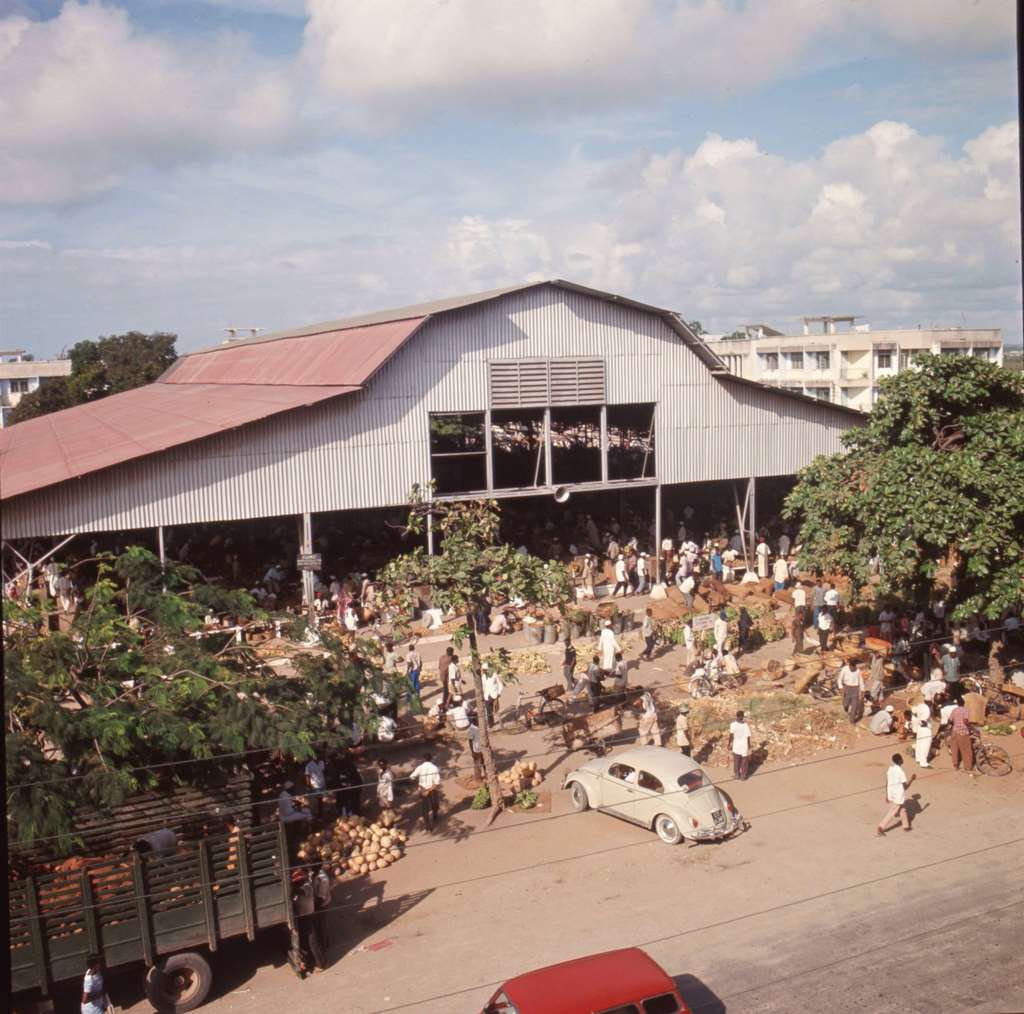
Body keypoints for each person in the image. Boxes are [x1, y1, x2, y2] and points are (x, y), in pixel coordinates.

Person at [876, 753, 915, 836]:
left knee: (902, 809)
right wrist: (912, 779)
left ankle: (906, 826)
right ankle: (881, 827)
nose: (903, 760)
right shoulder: (901, 772)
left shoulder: (890, 769)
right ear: (900, 761)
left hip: (892, 793)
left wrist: (887, 795)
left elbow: (887, 782)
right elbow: (905, 787)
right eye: (902, 758)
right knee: (893, 812)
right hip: (898, 795)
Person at [410, 752, 442, 831]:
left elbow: (411, 777)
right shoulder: (435, 768)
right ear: (431, 759)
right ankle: (435, 815)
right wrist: (428, 790)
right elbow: (437, 783)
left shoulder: (419, 767)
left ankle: (428, 826)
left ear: (423, 759)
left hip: (422, 790)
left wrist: (420, 787)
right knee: (435, 804)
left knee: (425, 808)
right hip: (432, 790)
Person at [948, 698, 974, 773]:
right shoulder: (965, 710)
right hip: (963, 732)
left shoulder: (954, 710)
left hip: (954, 732)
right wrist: (971, 727)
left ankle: (955, 765)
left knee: (954, 749)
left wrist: (953, 725)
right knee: (966, 750)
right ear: (964, 703)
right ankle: (968, 767)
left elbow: (949, 720)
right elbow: (965, 720)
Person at [730, 710, 752, 780]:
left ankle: (737, 775)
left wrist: (729, 743)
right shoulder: (745, 725)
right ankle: (743, 776)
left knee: (736, 760)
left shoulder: (732, 724)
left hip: (736, 745)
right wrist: (749, 744)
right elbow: (748, 736)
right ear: (742, 717)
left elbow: (731, 735)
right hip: (744, 745)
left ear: (736, 716)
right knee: (744, 761)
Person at [304, 755, 327, 821]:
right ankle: (318, 815)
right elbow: (307, 776)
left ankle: (320, 814)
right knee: (317, 800)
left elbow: (323, 772)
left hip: (322, 784)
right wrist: (309, 786)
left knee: (321, 799)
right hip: (315, 785)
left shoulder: (321, 762)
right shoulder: (309, 765)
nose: (317, 757)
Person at [912, 702, 933, 768]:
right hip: (925, 730)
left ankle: (918, 758)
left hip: (920, 729)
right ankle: (923, 762)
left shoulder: (917, 712)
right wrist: (926, 722)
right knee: (925, 745)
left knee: (919, 744)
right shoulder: (924, 713)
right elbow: (924, 721)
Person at [438, 646, 455, 718]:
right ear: (451, 653)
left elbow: (439, 667)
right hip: (447, 677)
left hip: (442, 676)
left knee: (446, 690)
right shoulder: (450, 659)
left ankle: (449, 702)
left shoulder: (441, 657)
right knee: (448, 691)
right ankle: (446, 704)